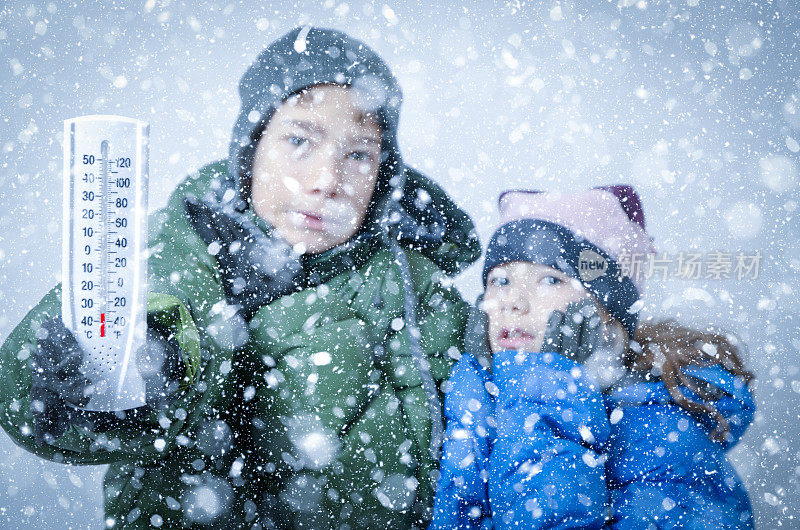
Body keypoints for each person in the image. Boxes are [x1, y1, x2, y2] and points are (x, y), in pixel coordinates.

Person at [0, 26, 482, 529]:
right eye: (300, 140)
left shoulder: (416, 287)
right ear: (251, 148)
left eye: (358, 154)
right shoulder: (185, 249)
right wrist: (87, 372)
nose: (326, 181)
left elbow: (509, 396)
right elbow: (27, 395)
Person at [430, 186, 755, 529]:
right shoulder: (472, 404)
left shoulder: (662, 441)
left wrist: (547, 388)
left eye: (550, 279)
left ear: (608, 317)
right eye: (501, 280)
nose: (513, 301)